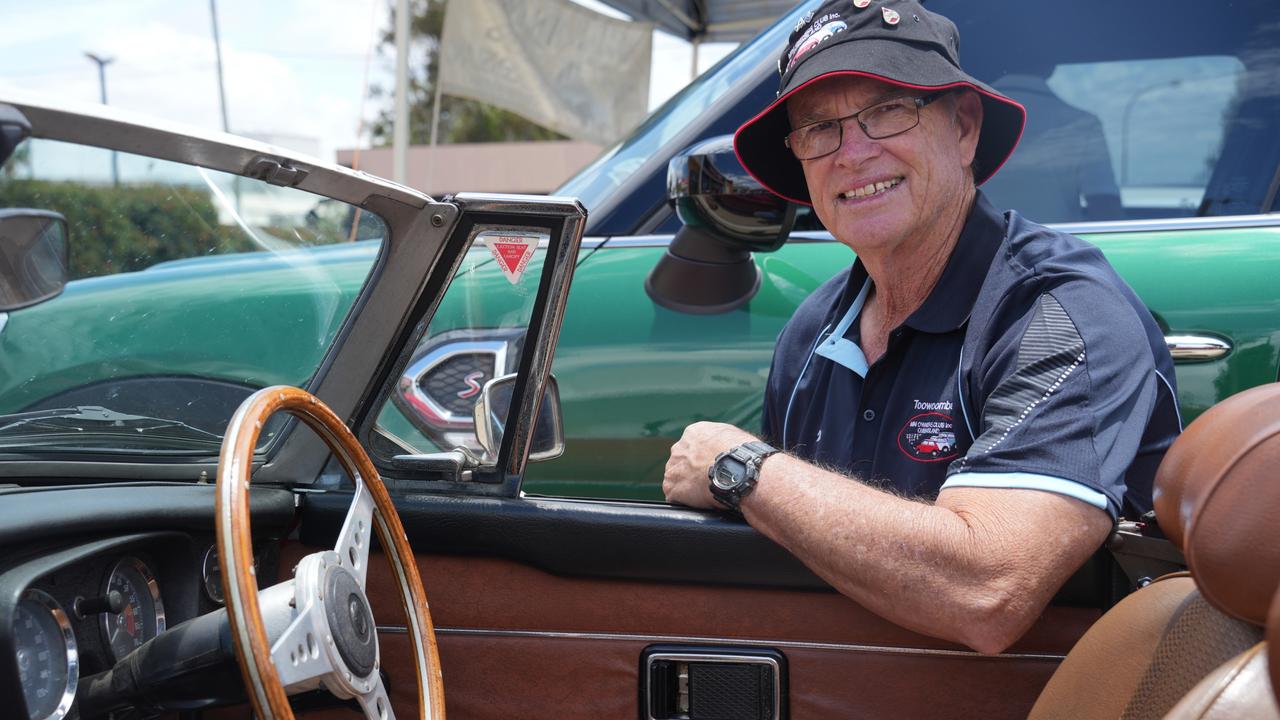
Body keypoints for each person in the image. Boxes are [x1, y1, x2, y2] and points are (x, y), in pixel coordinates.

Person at [661, 0, 1181, 655]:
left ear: (965, 129)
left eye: (886, 111)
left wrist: (742, 471)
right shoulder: (813, 332)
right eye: (819, 128)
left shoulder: (1056, 312)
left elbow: (988, 592)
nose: (852, 153)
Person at [982, 63, 1123, 223]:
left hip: (976, 246)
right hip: (1056, 244)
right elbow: (1105, 208)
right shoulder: (1081, 123)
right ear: (1050, 68)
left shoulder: (966, 120)